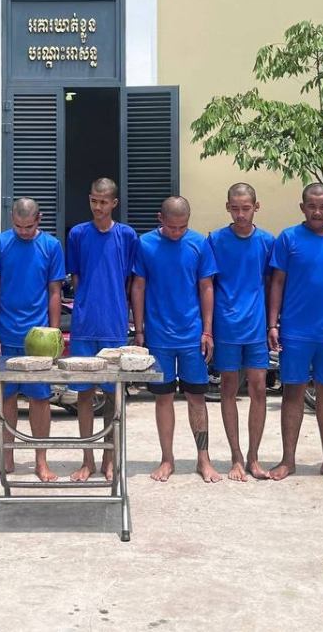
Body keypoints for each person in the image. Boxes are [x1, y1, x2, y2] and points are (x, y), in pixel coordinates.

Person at [266, 183, 323, 483]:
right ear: (302, 208)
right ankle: (288, 460)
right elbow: (277, 282)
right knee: (292, 392)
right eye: (312, 206)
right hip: (295, 331)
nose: (317, 212)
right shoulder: (288, 238)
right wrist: (273, 324)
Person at [132, 196, 220, 483]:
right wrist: (139, 330)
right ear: (161, 219)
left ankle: (203, 459)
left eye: (182, 227)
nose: (177, 232)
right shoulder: (145, 244)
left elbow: (206, 287)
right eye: (172, 227)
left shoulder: (199, 244)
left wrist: (207, 331)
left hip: (192, 335)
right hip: (159, 336)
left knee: (197, 397)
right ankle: (167, 459)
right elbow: (138, 286)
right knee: (163, 398)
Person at [0, 198, 65, 482]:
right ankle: (7, 459)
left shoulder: (51, 246)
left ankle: (41, 461)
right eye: (18, 227)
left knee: (39, 400)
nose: (23, 232)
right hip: (4, 335)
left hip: (38, 339)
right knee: (5, 399)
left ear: (38, 219)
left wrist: (54, 334)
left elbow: (54, 291)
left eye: (29, 227)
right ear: (12, 221)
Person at [65, 178, 139, 482]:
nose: (98, 207)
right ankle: (87, 459)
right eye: (94, 201)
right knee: (84, 394)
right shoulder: (78, 234)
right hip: (84, 324)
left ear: (114, 203)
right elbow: (76, 277)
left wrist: (130, 318)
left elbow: (130, 281)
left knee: (112, 395)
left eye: (104, 202)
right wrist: (85, 304)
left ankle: (110, 458)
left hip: (114, 324)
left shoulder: (127, 236)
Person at [207, 183, 275, 482]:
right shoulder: (215, 240)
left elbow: (273, 284)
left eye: (246, 208)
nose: (240, 214)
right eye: (235, 208)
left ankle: (254, 457)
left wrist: (273, 323)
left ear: (256, 207)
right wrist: (208, 328)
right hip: (226, 326)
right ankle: (236, 456)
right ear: (227, 207)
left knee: (259, 388)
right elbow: (207, 284)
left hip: (256, 326)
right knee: (229, 389)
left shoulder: (267, 242)